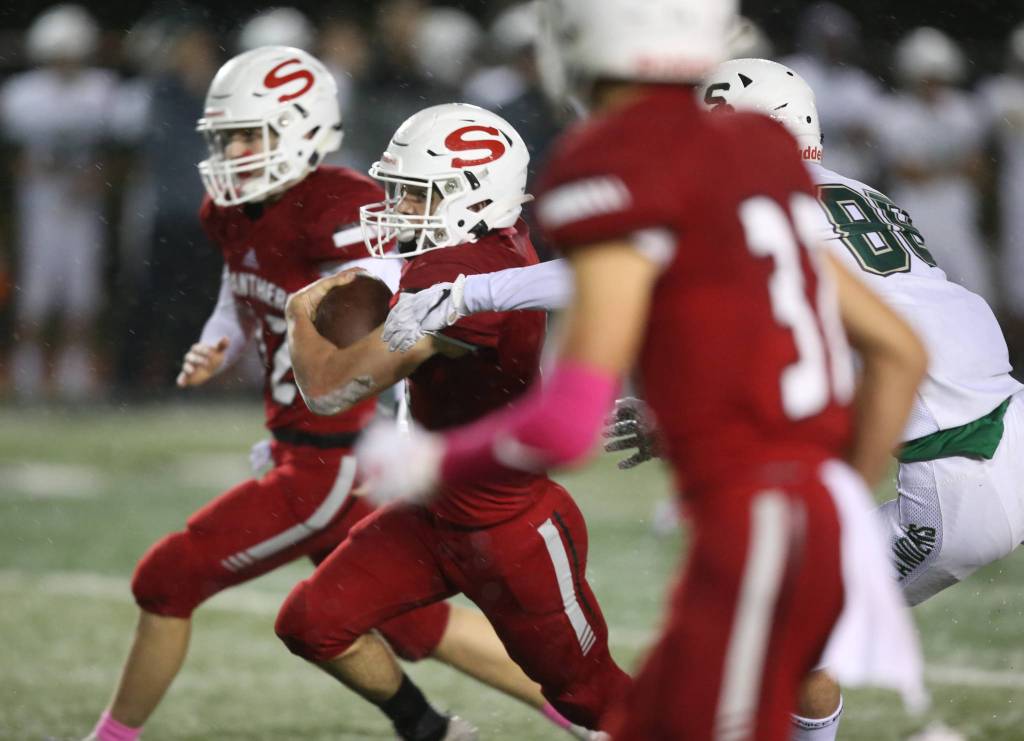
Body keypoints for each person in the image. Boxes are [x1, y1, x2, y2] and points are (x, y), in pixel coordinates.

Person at [355, 2, 929, 739]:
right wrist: (838, 489)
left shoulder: (614, 161)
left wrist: (437, 454)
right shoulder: (759, 147)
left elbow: (567, 424)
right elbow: (900, 350)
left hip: (750, 518)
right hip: (818, 508)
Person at [85, 48, 583, 741]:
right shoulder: (228, 209)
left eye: (247, 135)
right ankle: (521, 719)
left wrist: (448, 304)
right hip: (309, 441)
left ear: (301, 128)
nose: (230, 152)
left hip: (333, 450)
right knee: (414, 625)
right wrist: (222, 334)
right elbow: (244, 279)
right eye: (224, 137)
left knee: (167, 577)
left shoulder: (346, 206)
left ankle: (109, 738)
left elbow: (385, 310)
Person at [276, 102, 630, 738]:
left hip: (511, 532)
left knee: (593, 698)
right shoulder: (492, 246)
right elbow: (416, 272)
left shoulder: (458, 274)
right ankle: (427, 729)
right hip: (433, 515)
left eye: (415, 196)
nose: (397, 210)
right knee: (312, 623)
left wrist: (302, 313)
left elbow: (327, 390)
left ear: (472, 196)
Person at [1, 4, 117, 399]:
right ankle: (26, 366)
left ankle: (75, 369)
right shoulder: (22, 95)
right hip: (39, 208)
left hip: (83, 209)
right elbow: (13, 159)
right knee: (34, 293)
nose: (65, 63)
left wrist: (98, 175)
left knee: (81, 294)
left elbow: (118, 155)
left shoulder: (101, 90)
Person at [879, 27, 993, 302]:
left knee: (975, 287)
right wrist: (955, 167)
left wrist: (940, 170)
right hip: (916, 210)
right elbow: (911, 173)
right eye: (927, 78)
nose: (933, 85)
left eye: (938, 77)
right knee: (921, 286)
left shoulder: (965, 110)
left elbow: (978, 170)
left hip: (957, 209)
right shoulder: (894, 113)